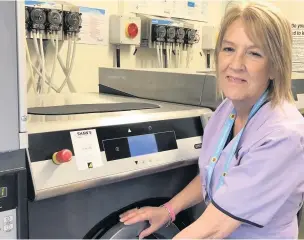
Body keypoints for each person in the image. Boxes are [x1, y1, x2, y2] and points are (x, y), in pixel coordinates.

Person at [119, 1, 304, 238]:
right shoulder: (226, 111)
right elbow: (214, 175)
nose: (236, 64)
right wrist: (168, 210)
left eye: (254, 53)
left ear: (275, 68)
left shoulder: (283, 136)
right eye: (228, 49)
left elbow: (214, 227)